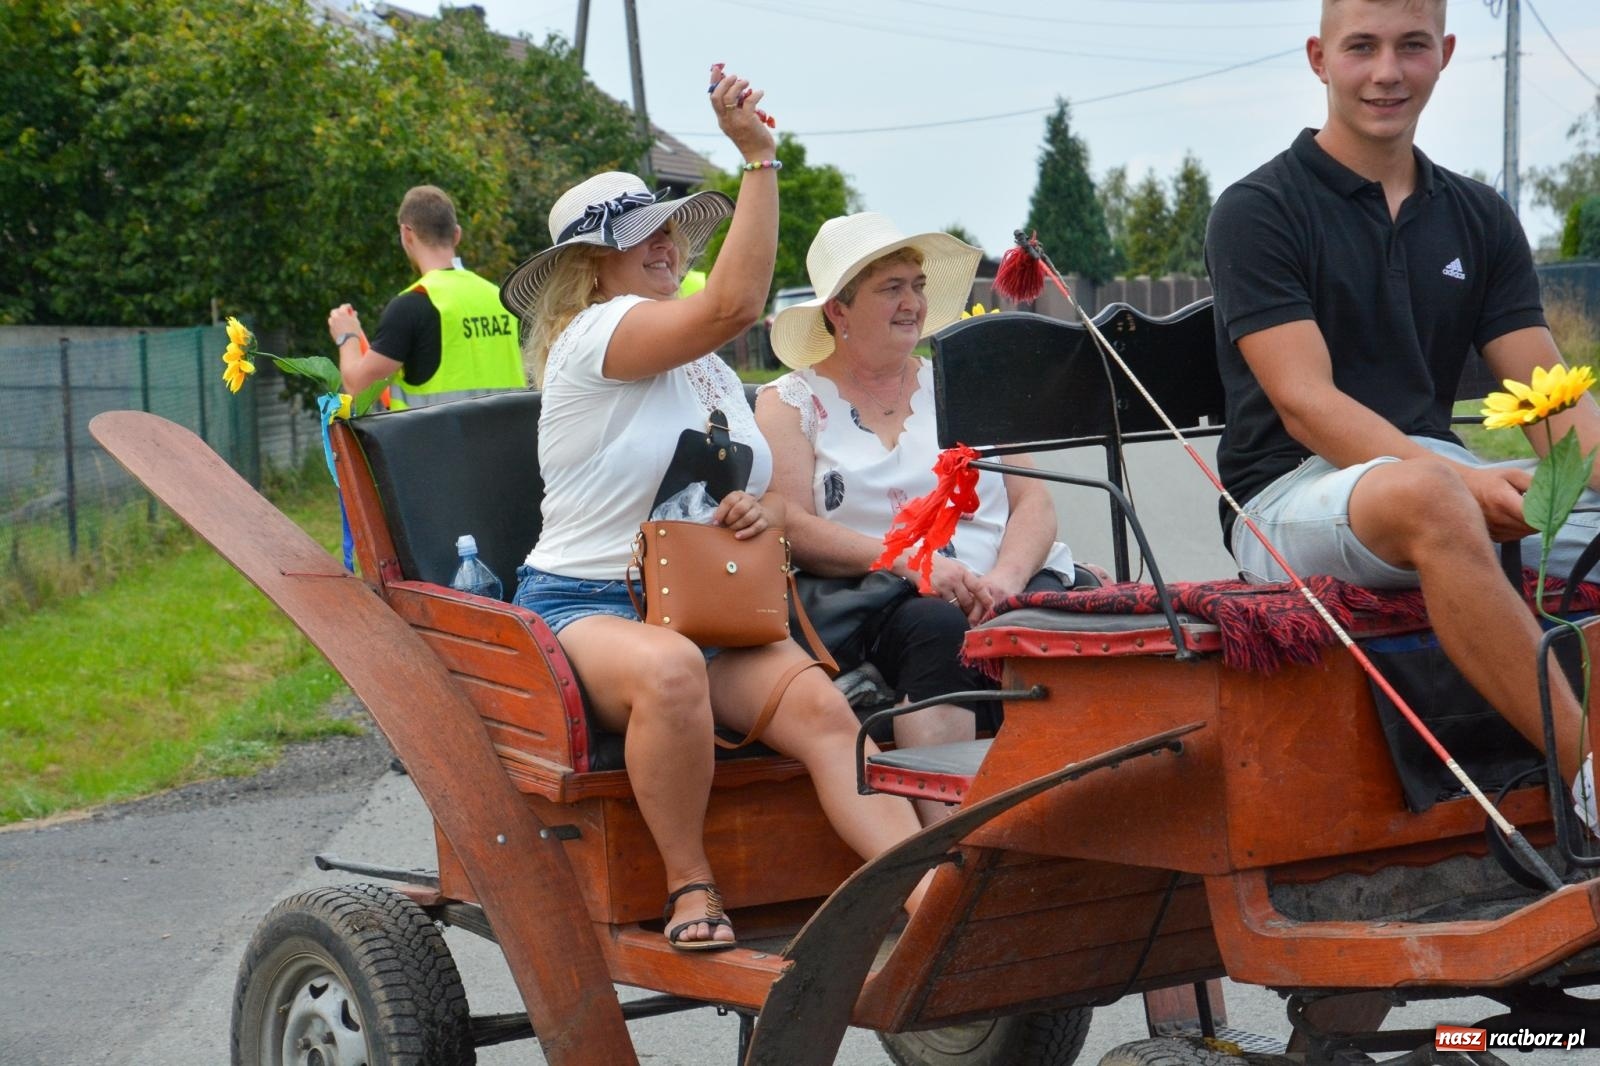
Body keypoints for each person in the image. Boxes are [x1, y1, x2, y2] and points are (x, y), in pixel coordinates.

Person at [499, 68, 928, 952]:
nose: (665, 246)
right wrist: (758, 161)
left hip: (705, 605)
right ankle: (690, 884)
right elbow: (734, 302)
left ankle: (934, 905)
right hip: (584, 606)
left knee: (823, 712)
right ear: (591, 263)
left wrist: (758, 513)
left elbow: (761, 489)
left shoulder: (709, 370)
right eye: (641, 237)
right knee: (667, 673)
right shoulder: (594, 337)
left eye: (667, 232)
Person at [1206, 0, 1600, 838]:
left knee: (1456, 495)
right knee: (1434, 496)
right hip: (1288, 501)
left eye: (1411, 46)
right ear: (1319, 57)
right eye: (1362, 48)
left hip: (1428, 478)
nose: (1387, 71)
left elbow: (1551, 394)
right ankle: (1591, 781)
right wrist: (1463, 480)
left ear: (1445, 54)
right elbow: (1305, 405)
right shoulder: (1259, 210)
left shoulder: (1478, 217)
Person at [756, 212, 1075, 823]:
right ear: (838, 312)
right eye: (891, 288)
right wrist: (912, 564)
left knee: (1060, 618)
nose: (913, 303)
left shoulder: (968, 384)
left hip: (999, 578)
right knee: (936, 626)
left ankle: (1073, 826)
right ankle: (954, 847)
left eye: (918, 285)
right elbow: (788, 523)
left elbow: (1034, 499)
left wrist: (1006, 584)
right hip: (877, 592)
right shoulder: (791, 402)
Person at [326, 185, 524, 408]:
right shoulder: (501, 297)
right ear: (457, 234)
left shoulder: (413, 304)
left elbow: (359, 391)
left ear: (406, 234)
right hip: (509, 441)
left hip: (437, 442)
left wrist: (347, 337)